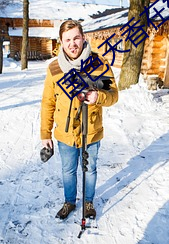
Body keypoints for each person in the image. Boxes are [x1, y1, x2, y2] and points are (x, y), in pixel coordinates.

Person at [40, 20, 118, 220]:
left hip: (91, 130)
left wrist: (98, 97)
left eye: (76, 38)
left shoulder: (99, 64)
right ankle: (69, 202)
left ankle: (89, 202)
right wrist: (45, 134)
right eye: (67, 40)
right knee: (68, 170)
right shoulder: (55, 68)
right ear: (61, 42)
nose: (72, 43)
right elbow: (48, 102)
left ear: (84, 38)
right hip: (65, 133)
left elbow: (113, 95)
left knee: (90, 168)